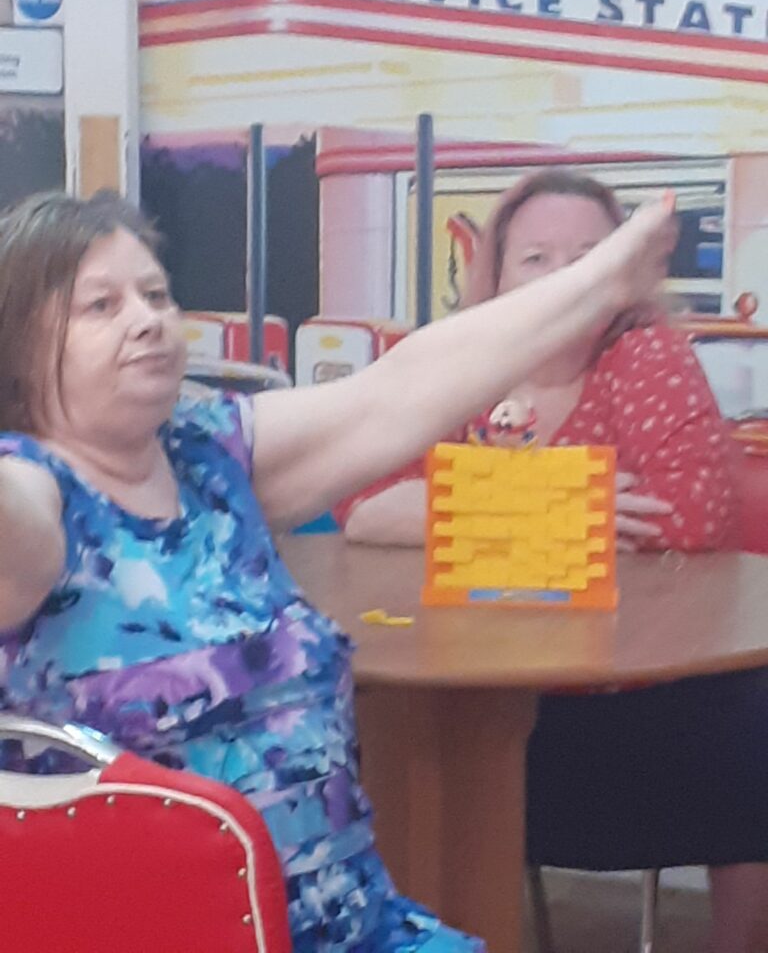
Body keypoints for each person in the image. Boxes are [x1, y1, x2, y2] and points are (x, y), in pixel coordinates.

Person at [0, 189, 673, 953]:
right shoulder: (32, 494)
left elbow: (402, 388)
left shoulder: (210, 454)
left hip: (357, 927)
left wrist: (605, 278)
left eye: (155, 294)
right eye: (101, 306)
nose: (148, 319)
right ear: (20, 344)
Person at [335, 170, 768, 953]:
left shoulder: (646, 354)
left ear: (623, 271)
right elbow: (363, 506)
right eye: (536, 257)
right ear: (497, 272)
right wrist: (564, 508)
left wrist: (459, 508)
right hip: (455, 694)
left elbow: (689, 517)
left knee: (754, 718)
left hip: (627, 698)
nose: (564, 276)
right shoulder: (454, 361)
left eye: (589, 255)